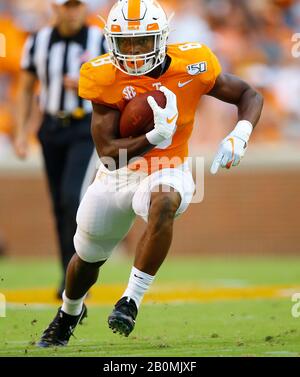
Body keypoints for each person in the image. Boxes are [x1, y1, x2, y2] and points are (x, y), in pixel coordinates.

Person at [37, 0, 263, 347]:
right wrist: (153, 136)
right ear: (112, 41)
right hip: (119, 173)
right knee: (87, 257)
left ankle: (130, 301)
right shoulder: (102, 75)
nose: (133, 52)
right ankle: (69, 313)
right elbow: (109, 155)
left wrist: (241, 133)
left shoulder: (194, 63)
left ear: (161, 38)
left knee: (165, 202)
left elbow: (247, 93)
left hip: (169, 167)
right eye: (125, 43)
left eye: (142, 41)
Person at [14, 0, 107, 298]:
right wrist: (21, 132)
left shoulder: (98, 40)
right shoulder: (38, 41)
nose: (74, 11)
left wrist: (87, 85)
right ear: (56, 8)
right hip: (51, 128)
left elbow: (116, 85)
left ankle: (79, 277)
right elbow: (27, 87)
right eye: (68, 5)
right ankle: (66, 275)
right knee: (58, 205)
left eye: (78, 5)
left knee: (71, 197)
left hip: (84, 127)